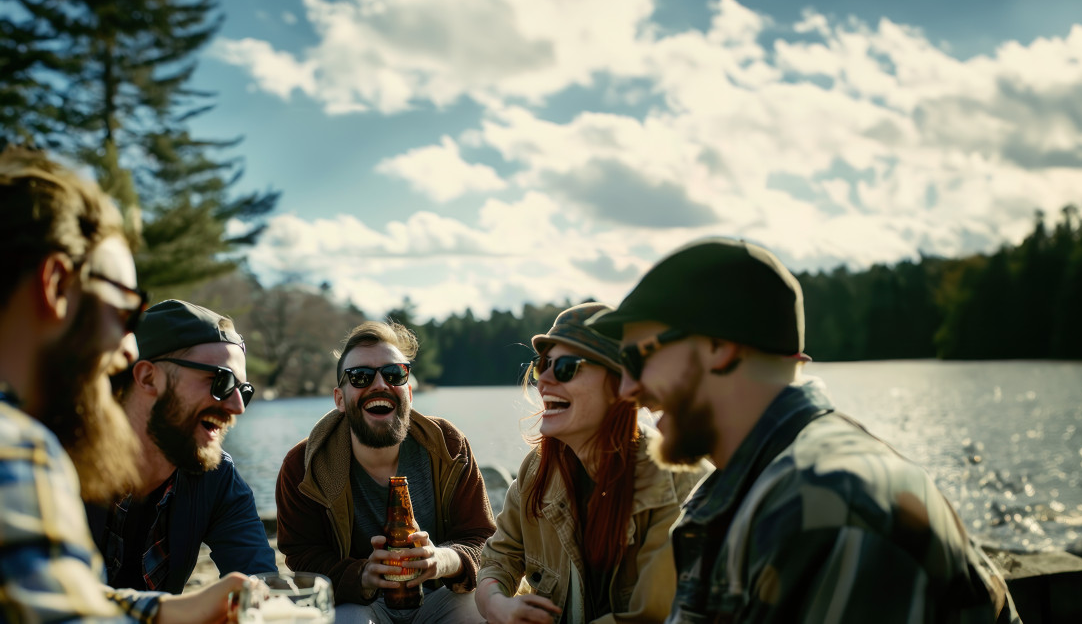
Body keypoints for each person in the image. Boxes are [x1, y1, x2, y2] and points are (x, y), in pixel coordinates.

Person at [588, 237, 1021, 624]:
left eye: (637, 358)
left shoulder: (830, 502)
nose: (627, 389)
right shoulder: (745, 491)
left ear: (719, 346)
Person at [0, 147, 247, 622]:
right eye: (123, 311)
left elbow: (63, 589)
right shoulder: (17, 448)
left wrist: (166, 611)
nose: (131, 347)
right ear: (54, 286)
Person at [477, 303, 711, 624]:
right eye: (541, 366)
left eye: (566, 367)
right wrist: (497, 605)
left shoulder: (679, 482)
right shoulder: (537, 470)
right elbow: (498, 559)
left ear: (621, 386)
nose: (543, 381)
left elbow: (650, 617)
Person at [275, 320, 495, 623]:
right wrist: (362, 574)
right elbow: (302, 556)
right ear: (340, 399)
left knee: (485, 611)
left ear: (409, 392)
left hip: (441, 594)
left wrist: (443, 560)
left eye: (394, 374)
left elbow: (482, 537)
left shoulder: (448, 444)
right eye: (361, 376)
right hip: (358, 603)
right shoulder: (303, 465)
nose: (379, 385)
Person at [85, 299, 277, 593]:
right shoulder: (56, 460)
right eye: (220, 381)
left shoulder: (217, 478)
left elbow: (261, 584)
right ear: (148, 378)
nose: (238, 407)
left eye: (243, 390)